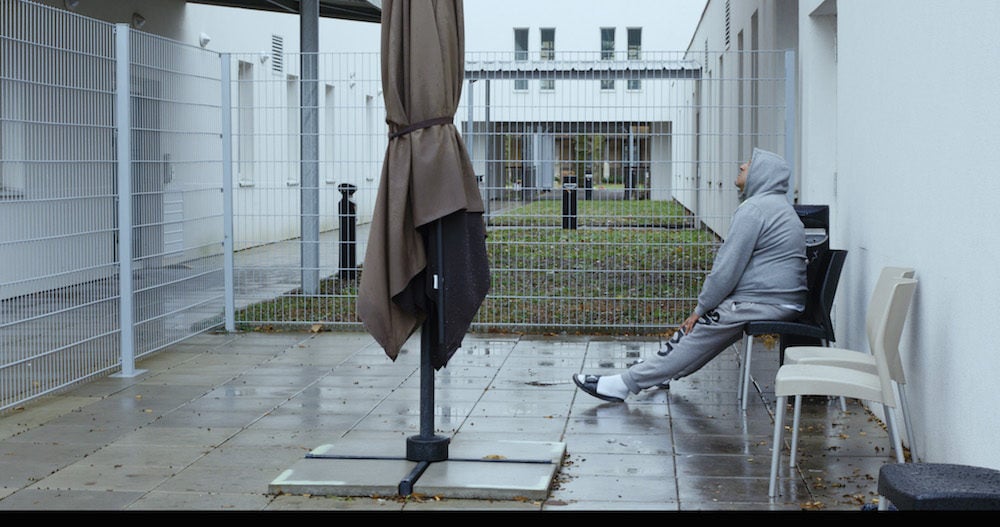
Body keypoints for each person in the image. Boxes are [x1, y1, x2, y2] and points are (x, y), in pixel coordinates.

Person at [573, 148, 808, 403]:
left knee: (698, 329)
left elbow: (726, 268)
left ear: (763, 174)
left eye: (750, 164)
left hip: (765, 302)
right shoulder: (775, 207)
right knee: (701, 333)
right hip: (774, 300)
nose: (741, 166)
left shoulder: (755, 210)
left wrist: (702, 307)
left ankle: (623, 384)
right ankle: (657, 373)